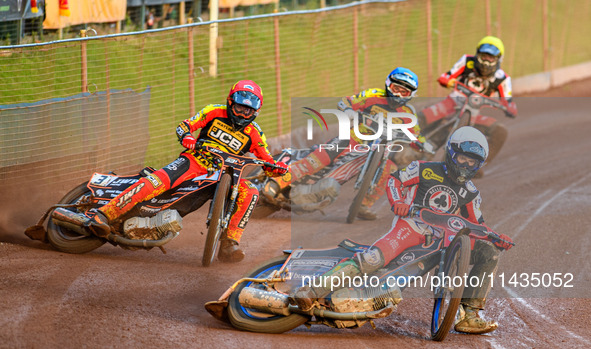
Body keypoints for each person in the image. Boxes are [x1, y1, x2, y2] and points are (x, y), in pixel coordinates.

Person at [292, 126, 514, 334]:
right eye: (463, 158)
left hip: (437, 245)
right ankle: (310, 291)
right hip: (409, 228)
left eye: (473, 163)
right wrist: (398, 202)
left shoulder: (470, 192)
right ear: (451, 153)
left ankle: (469, 315)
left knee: (488, 252)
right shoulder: (424, 169)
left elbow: (477, 224)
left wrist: (496, 237)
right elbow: (394, 181)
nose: (466, 166)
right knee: (372, 260)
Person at [88, 80, 288, 262]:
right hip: (195, 161)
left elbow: (267, 160)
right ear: (229, 102)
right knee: (157, 182)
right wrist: (187, 137)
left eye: (248, 111)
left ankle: (229, 244)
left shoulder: (255, 133)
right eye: (238, 108)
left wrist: (276, 168)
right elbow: (185, 126)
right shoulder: (213, 111)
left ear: (255, 112)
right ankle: (105, 214)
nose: (242, 114)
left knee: (251, 191)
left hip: (226, 175)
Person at [280, 67, 427, 220]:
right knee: (337, 146)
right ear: (388, 84)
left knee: (390, 168)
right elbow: (346, 101)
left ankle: (363, 205)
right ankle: (283, 178)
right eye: (396, 88)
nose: (398, 94)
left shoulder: (408, 112)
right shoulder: (373, 94)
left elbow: (417, 133)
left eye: (404, 92)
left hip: (380, 149)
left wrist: (420, 143)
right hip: (355, 137)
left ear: (411, 95)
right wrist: (349, 110)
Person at [419, 36, 517, 177]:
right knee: (422, 117)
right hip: (452, 104)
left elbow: (509, 101)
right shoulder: (467, 61)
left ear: (499, 59)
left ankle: (475, 166)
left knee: (501, 132)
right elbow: (447, 76)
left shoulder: (503, 79)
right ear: (477, 54)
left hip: (475, 113)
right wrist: (447, 81)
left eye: (491, 58)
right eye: (483, 57)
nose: (486, 62)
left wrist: (509, 107)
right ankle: (397, 141)